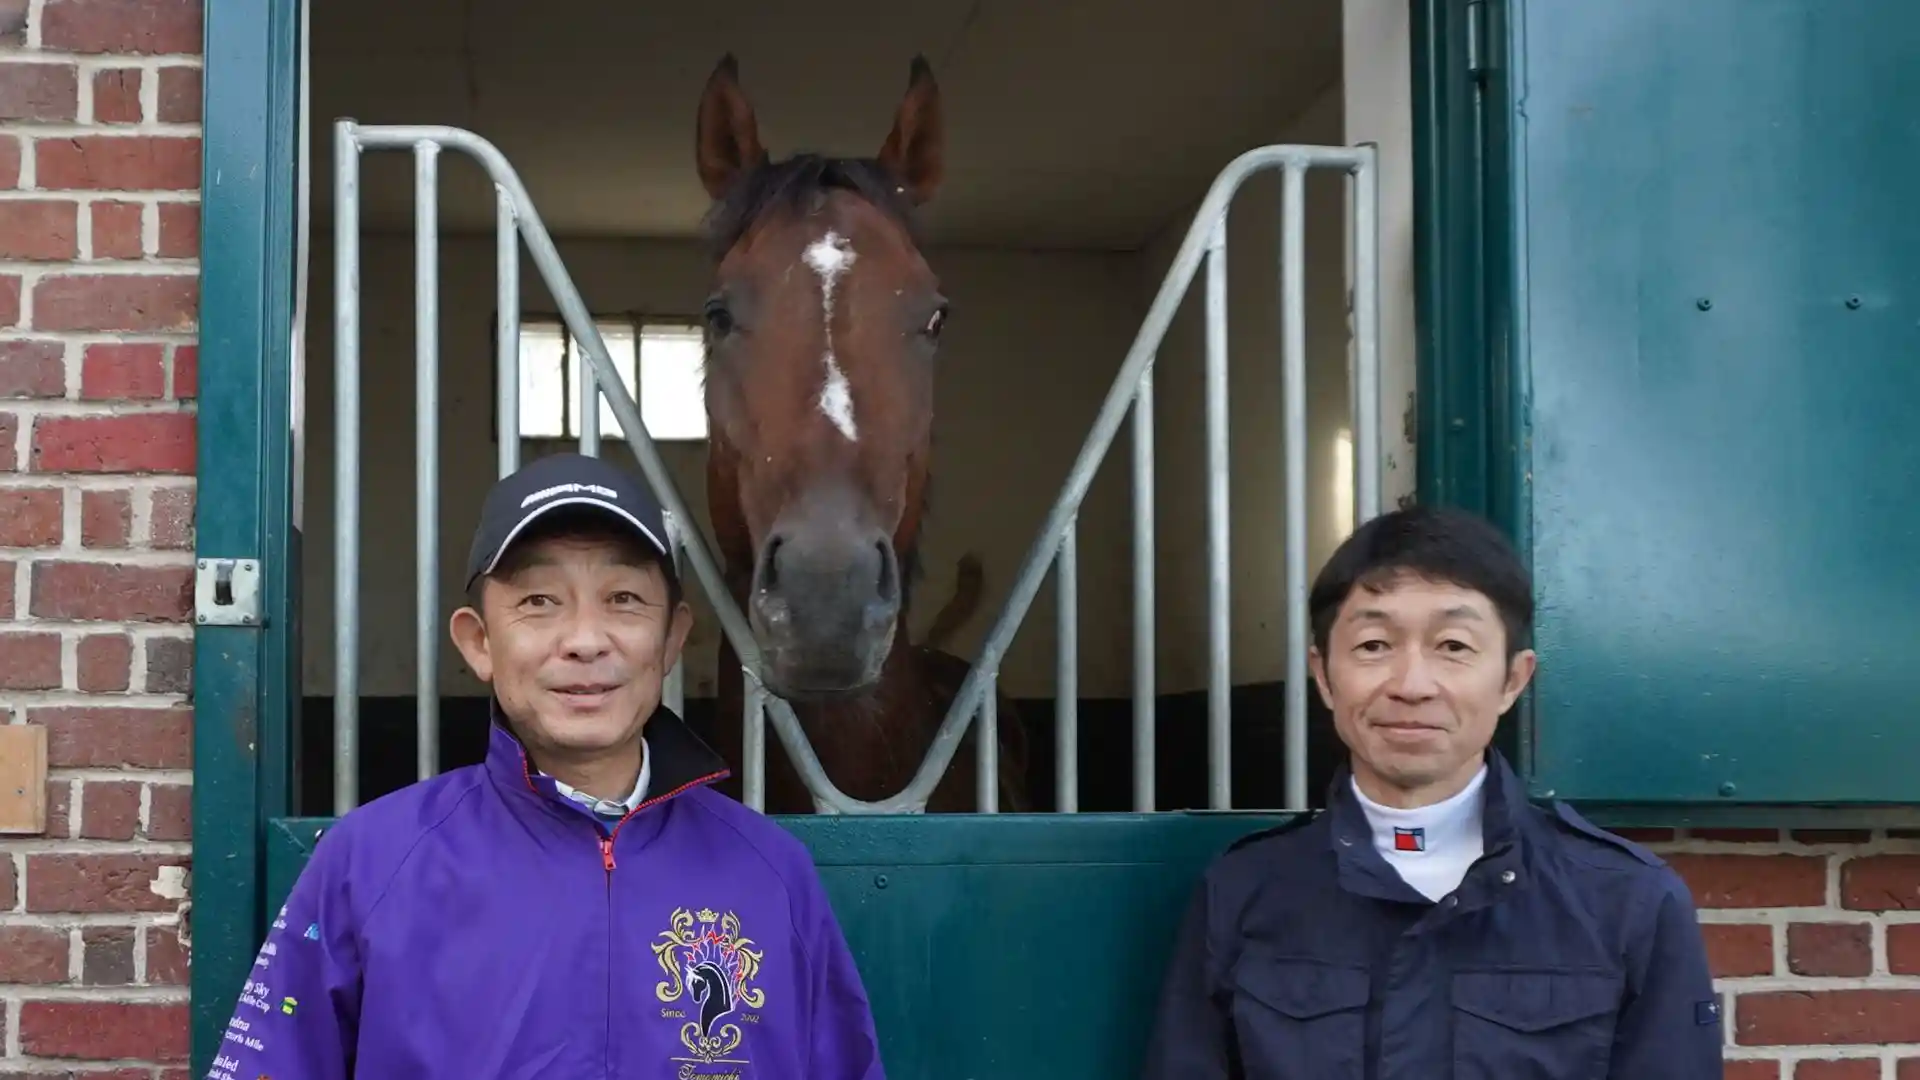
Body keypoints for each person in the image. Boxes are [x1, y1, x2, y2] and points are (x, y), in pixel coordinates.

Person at [205, 452, 886, 1079]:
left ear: (672, 637)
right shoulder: (370, 864)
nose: (586, 640)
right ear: (479, 643)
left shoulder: (770, 873)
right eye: (538, 603)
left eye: (624, 599)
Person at [1139, 504, 1721, 1079]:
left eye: (1454, 647)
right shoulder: (1243, 892)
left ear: (1512, 680)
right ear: (1323, 675)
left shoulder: (1628, 903)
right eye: (1373, 646)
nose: (1412, 685)